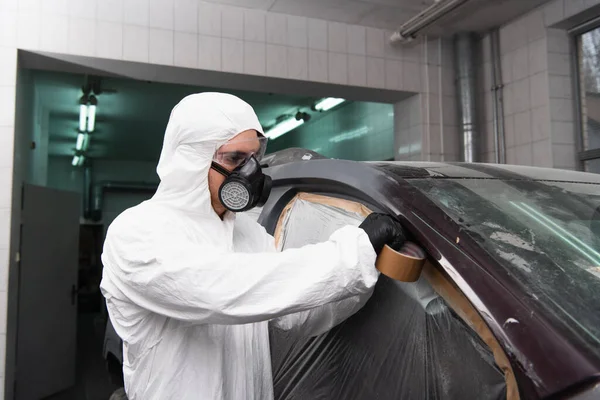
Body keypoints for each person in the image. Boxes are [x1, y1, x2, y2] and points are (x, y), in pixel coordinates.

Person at [100, 93, 406, 400]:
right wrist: (353, 251)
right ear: (192, 161)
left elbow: (298, 314)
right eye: (235, 159)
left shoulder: (246, 233)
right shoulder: (136, 232)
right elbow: (221, 289)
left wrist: (367, 265)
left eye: (253, 159)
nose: (250, 173)